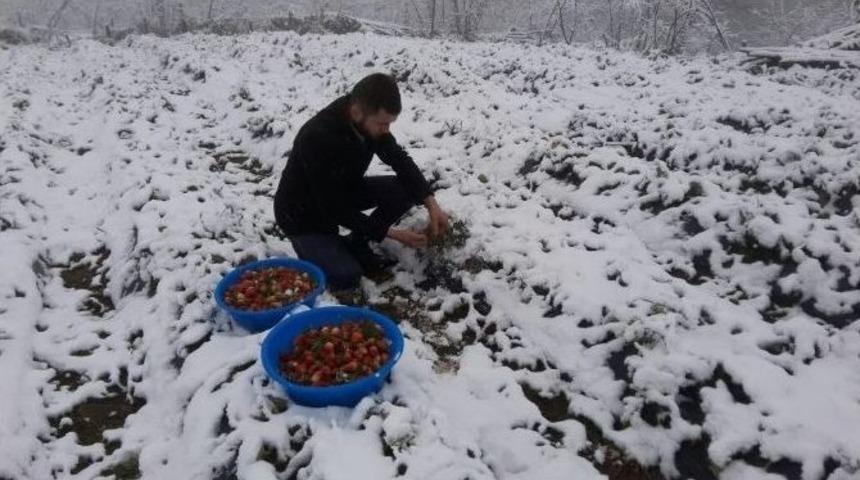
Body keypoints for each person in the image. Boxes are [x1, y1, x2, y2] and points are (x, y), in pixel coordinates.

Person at [274, 73, 449, 291]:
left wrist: (431, 203)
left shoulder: (369, 122)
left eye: (390, 124)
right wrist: (390, 233)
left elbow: (399, 159)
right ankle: (327, 248)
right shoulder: (317, 137)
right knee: (347, 276)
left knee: (406, 188)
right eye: (383, 124)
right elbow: (332, 208)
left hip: (343, 190)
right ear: (356, 112)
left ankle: (356, 241)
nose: (387, 131)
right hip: (303, 214)